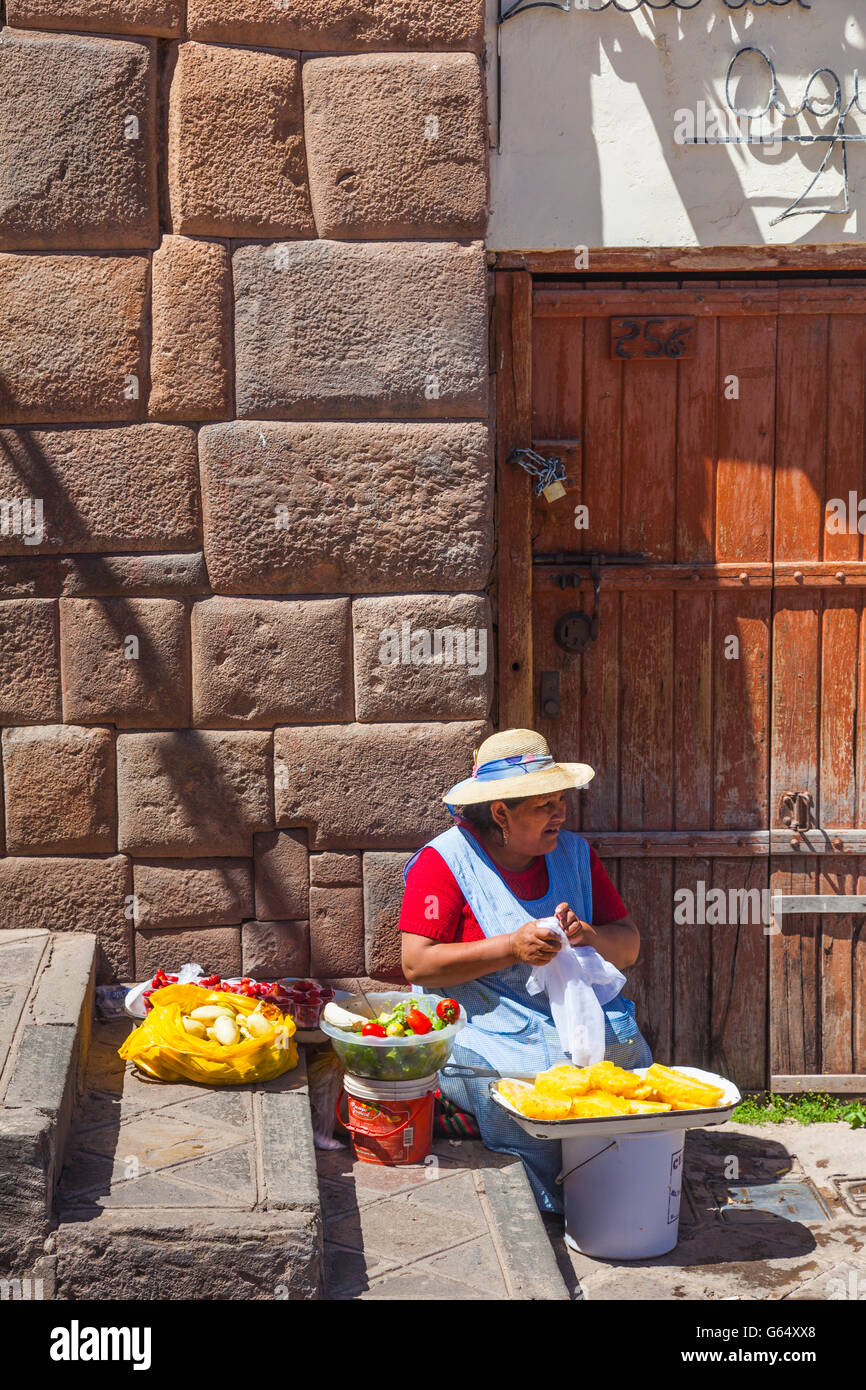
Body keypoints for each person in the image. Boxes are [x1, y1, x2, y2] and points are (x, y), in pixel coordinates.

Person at [399, 727, 652, 1213]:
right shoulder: (444, 863)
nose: (560, 813)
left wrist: (589, 937)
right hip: (482, 1021)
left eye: (560, 800)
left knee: (627, 1079)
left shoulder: (575, 855)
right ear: (500, 812)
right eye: (544, 805)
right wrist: (511, 947)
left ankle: (627, 1186)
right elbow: (418, 963)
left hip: (566, 1016)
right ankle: (563, 1198)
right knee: (541, 1090)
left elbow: (630, 948)